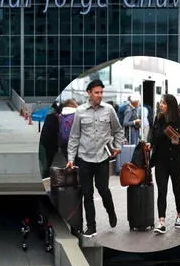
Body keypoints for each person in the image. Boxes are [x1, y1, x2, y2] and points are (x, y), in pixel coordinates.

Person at [65, 79, 125, 238]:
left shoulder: (109, 109)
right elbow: (74, 137)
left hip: (102, 158)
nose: (100, 95)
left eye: (101, 92)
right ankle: (91, 226)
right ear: (89, 93)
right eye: (97, 92)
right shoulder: (80, 111)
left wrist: (118, 147)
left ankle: (111, 211)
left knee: (103, 189)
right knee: (87, 193)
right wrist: (71, 158)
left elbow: (118, 130)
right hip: (84, 158)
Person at [147, 94, 180, 234]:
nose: (161, 105)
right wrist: (150, 143)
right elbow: (153, 137)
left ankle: (179, 215)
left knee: (177, 190)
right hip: (161, 161)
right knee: (162, 191)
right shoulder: (158, 119)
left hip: (177, 161)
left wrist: (178, 142)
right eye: (160, 103)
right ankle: (162, 221)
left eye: (163, 103)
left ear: (170, 106)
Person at [39, 101, 63, 178]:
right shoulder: (56, 118)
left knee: (45, 162)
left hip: (44, 143)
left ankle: (46, 175)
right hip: (51, 144)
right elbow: (57, 132)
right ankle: (46, 176)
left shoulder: (48, 117)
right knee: (49, 161)